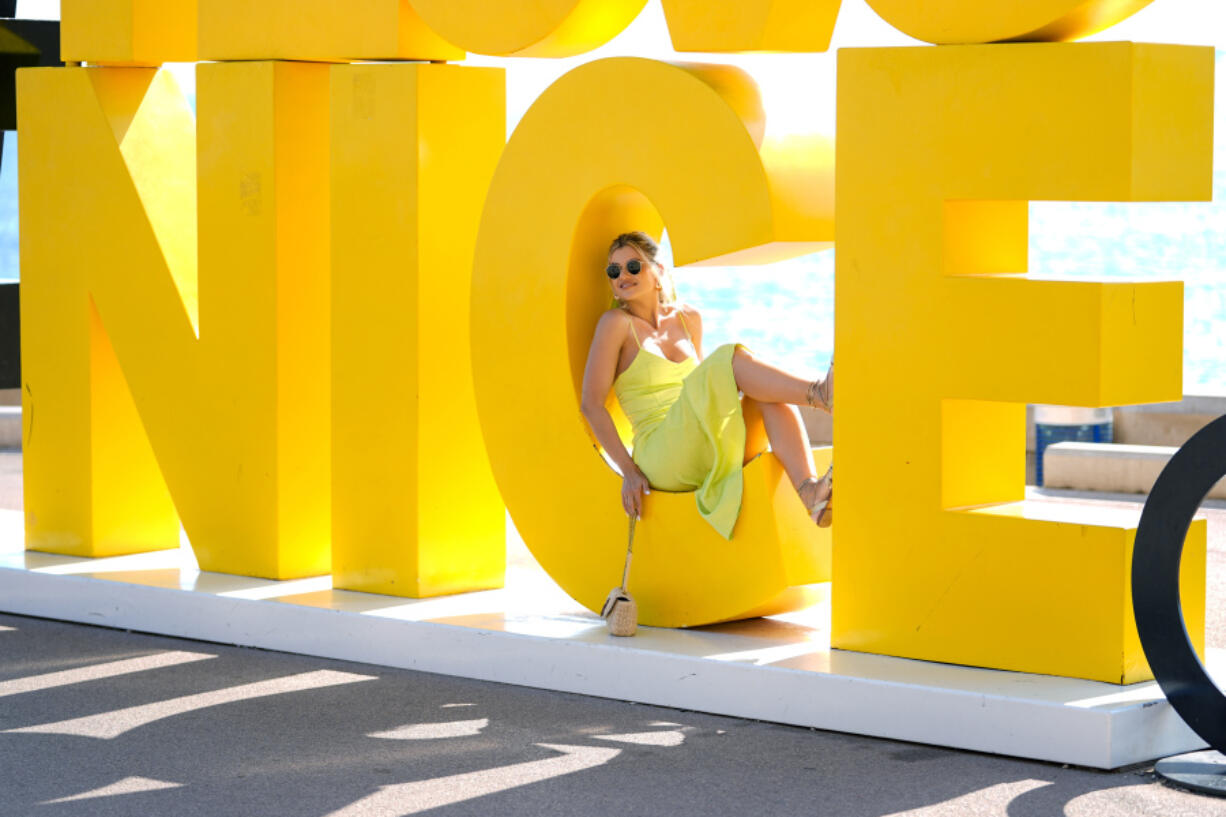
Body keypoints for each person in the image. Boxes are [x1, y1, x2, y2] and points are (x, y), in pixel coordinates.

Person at [580, 231, 833, 539]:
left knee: (771, 396)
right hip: (660, 455)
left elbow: (701, 389)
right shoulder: (614, 325)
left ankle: (811, 493)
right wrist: (628, 471)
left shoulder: (689, 319)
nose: (622, 275)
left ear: (659, 272)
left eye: (633, 266)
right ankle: (820, 394)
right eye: (613, 271)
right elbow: (591, 405)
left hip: (698, 440)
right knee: (730, 357)